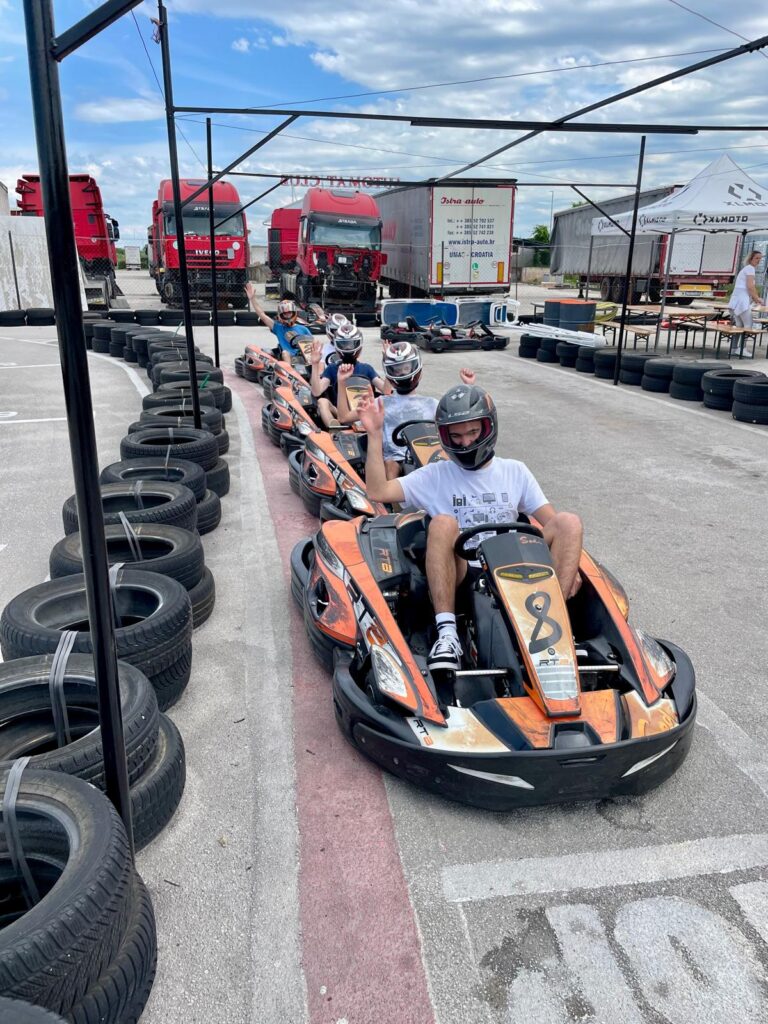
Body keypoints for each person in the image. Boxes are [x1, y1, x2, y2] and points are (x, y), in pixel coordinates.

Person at [357, 384, 583, 672]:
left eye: (472, 433)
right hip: (463, 571)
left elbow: (553, 524)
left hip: (515, 566)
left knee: (569, 522)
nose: (465, 444)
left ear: (488, 428)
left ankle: (557, 624)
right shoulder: (435, 475)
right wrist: (375, 435)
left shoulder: (515, 471)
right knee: (442, 523)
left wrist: (572, 565)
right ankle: (447, 634)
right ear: (445, 437)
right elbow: (378, 491)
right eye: (457, 436)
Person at [335, 341, 475, 479]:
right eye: (398, 370)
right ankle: (390, 501)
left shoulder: (432, 404)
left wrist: (469, 387)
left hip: (428, 456)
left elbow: (461, 419)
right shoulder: (381, 402)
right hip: (396, 458)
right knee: (391, 466)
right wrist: (342, 382)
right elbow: (344, 418)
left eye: (406, 368)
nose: (402, 372)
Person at [309, 323, 387, 428]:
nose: (348, 348)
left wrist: (388, 365)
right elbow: (316, 391)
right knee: (322, 401)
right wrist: (315, 364)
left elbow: (386, 390)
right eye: (345, 345)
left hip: (363, 412)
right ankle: (335, 428)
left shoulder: (366, 368)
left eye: (351, 344)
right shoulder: (332, 368)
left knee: (384, 401)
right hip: (341, 412)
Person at [244, 283, 312, 361]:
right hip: (289, 358)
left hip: (305, 357)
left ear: (294, 313)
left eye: (289, 313)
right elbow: (262, 315)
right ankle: (289, 372)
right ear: (281, 316)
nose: (287, 316)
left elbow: (312, 344)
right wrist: (252, 299)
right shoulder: (278, 328)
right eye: (285, 314)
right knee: (285, 353)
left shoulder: (303, 329)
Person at [727, 250, 763, 358]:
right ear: (751, 258)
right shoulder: (750, 269)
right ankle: (742, 349)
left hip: (736, 299)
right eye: (757, 258)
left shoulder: (745, 269)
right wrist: (757, 299)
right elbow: (750, 286)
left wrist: (755, 297)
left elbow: (750, 287)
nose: (759, 261)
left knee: (739, 325)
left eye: (760, 259)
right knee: (748, 325)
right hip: (741, 300)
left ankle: (734, 349)